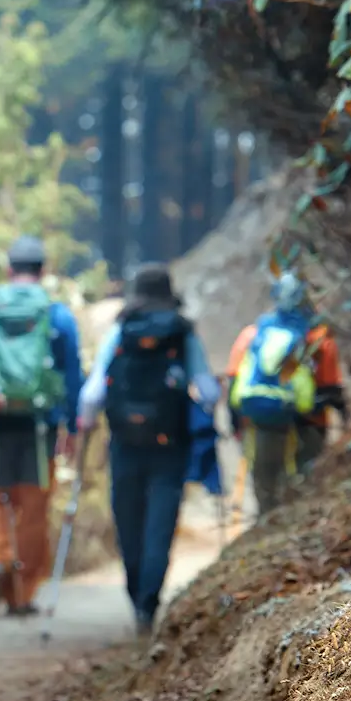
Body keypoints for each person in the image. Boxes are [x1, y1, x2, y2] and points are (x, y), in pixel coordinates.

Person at [79, 263, 218, 636]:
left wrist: (86, 422)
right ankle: (148, 604)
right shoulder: (181, 332)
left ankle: (134, 591)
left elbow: (93, 391)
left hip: (124, 441)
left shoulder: (122, 328)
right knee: (160, 522)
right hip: (170, 443)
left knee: (128, 521)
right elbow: (207, 390)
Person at [0, 236, 84, 618]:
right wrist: (72, 427)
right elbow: (71, 374)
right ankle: (21, 594)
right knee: (33, 508)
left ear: (8, 268)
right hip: (41, 427)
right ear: (43, 270)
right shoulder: (57, 315)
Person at [227, 272, 345, 516]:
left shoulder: (253, 334)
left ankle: (265, 524)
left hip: (262, 422)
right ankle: (303, 521)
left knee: (265, 481)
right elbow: (331, 386)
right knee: (304, 482)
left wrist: (236, 425)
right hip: (309, 423)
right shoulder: (319, 338)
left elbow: (233, 379)